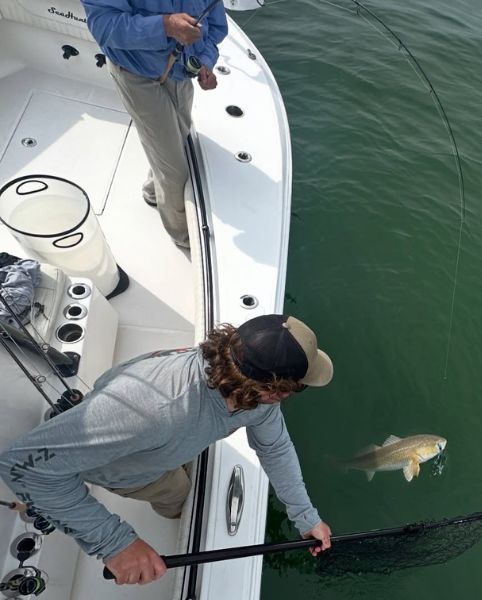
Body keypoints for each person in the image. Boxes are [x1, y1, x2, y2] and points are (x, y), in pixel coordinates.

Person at [0, 314, 334, 586]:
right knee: (180, 494)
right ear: (271, 389)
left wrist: (306, 516)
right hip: (129, 467)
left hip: (169, 440)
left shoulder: (255, 391)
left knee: (189, 467)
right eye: (297, 388)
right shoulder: (152, 408)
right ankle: (172, 505)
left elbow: (274, 447)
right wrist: (116, 543)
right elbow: (21, 466)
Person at [80, 0, 228, 248]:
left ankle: (151, 191)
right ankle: (184, 238)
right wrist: (166, 26)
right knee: (175, 169)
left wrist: (205, 61)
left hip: (181, 74)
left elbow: (215, 28)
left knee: (177, 140)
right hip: (134, 74)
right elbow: (103, 26)